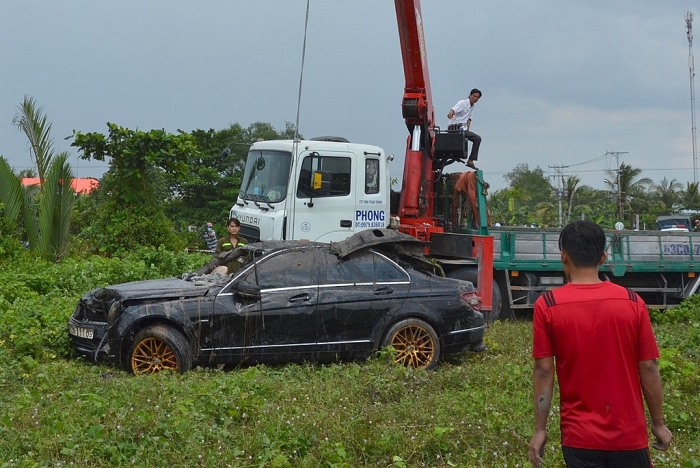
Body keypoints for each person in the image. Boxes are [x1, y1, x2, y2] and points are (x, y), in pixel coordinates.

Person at [529, 220, 672, 468]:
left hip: (579, 437)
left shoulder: (548, 305)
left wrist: (540, 429)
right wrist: (658, 423)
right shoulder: (632, 302)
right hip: (629, 435)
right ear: (603, 257)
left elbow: (543, 370)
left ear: (564, 256)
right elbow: (648, 367)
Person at [447, 88, 482, 170]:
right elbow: (452, 110)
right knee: (477, 138)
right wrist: (450, 115)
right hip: (455, 128)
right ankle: (470, 160)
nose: (475, 98)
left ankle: (470, 160)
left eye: (477, 97)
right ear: (470, 95)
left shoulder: (472, 106)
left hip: (463, 129)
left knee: (477, 139)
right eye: (474, 96)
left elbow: (469, 119)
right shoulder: (462, 103)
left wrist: (468, 130)